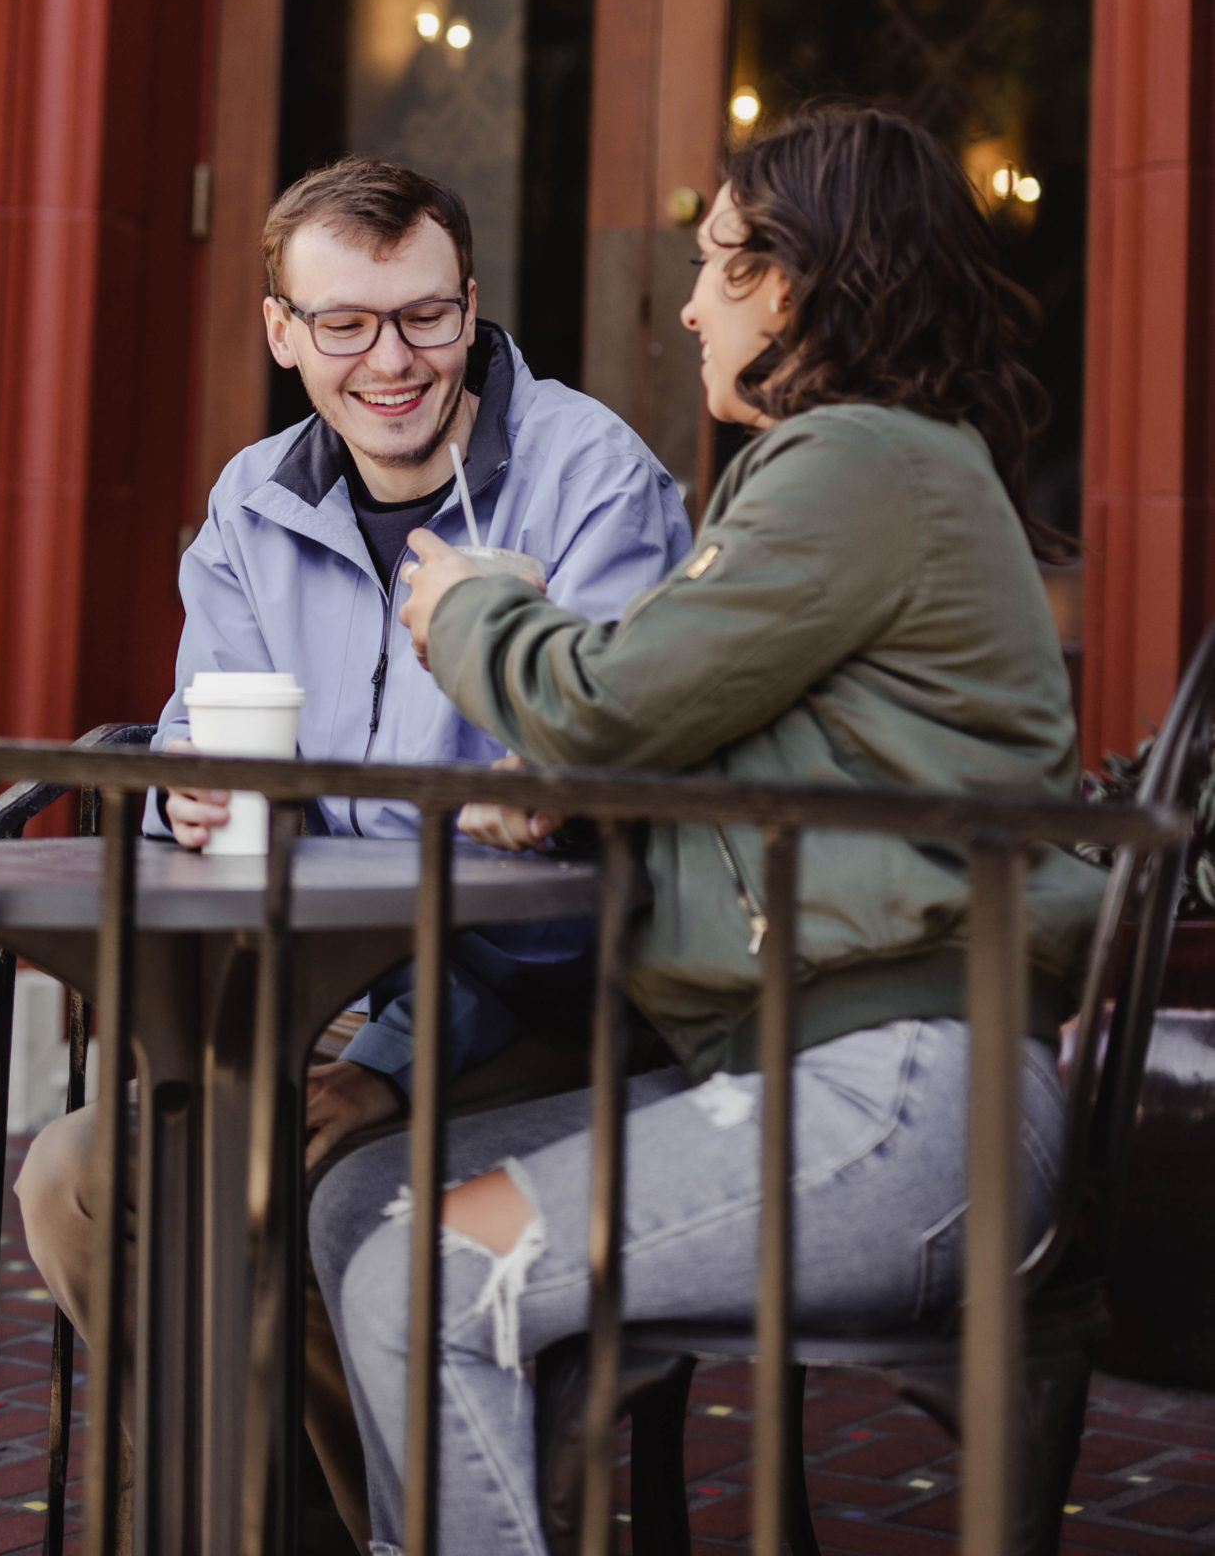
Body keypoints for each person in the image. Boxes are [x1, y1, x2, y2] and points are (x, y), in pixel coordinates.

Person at [309, 106, 1108, 1556]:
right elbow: (691, 747)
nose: (683, 305)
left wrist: (467, 606)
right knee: (368, 1197)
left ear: (790, 281)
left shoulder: (857, 462)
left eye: (715, 267)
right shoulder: (867, 468)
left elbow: (608, 697)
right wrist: (564, 792)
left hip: (903, 1107)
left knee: (417, 1276)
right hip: (806, 1083)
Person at [15, 154, 689, 1547]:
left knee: (317, 1191)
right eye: (345, 325)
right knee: (77, 1177)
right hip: (335, 1002)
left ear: (472, 306)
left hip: (567, 1008)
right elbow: (199, 747)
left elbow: (579, 842)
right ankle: (254, 1519)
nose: (391, 361)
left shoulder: (585, 477)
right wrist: (183, 797)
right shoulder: (251, 504)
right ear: (281, 331)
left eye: (424, 318)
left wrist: (388, 1063)